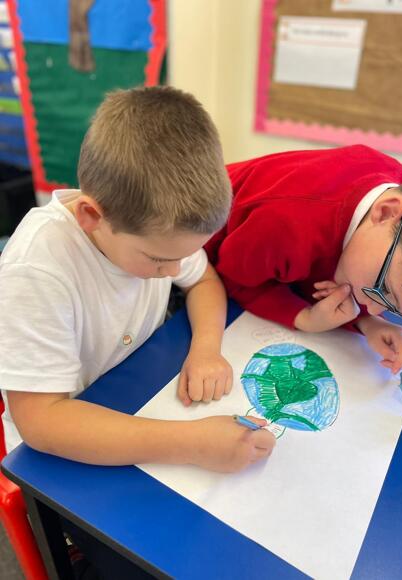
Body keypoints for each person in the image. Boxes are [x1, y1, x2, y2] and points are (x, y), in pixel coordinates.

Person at [0, 86, 275, 472]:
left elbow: (203, 282)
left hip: (134, 394)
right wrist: (193, 443)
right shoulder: (36, 270)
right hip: (61, 450)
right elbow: (41, 422)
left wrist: (206, 350)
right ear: (91, 217)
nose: (175, 271)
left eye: (181, 257)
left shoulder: (154, 229)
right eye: (160, 260)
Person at [205, 145, 402, 375]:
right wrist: (304, 318)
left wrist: (369, 322)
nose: (374, 308)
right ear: (385, 212)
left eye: (393, 308)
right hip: (199, 247)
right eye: (382, 288)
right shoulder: (285, 223)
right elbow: (235, 279)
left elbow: (317, 261)